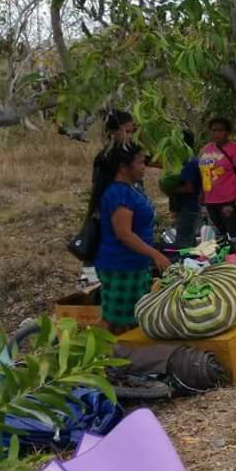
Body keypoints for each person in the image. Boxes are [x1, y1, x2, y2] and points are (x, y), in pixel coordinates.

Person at [91, 142, 171, 333]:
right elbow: (124, 234)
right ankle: (92, 354)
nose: (144, 167)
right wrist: (155, 255)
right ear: (123, 167)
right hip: (120, 265)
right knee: (114, 320)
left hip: (135, 264)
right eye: (139, 163)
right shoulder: (119, 193)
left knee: (130, 319)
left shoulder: (132, 189)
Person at [199, 117, 236, 238]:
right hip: (210, 199)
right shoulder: (206, 149)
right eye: (213, 130)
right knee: (220, 232)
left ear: (227, 132)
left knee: (233, 231)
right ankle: (227, 256)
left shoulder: (235, 149)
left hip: (229, 198)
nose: (216, 134)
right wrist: (202, 194)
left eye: (220, 130)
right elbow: (203, 173)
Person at [172, 130, 202, 248]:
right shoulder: (192, 160)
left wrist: (171, 190)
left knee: (182, 240)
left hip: (188, 206)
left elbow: (188, 188)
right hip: (192, 206)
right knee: (190, 239)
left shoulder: (189, 163)